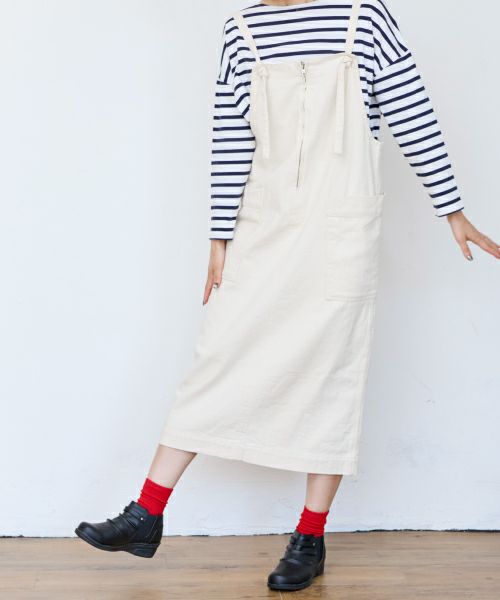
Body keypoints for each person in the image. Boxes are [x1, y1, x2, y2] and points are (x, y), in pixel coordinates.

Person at [75, 0, 500, 592]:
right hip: (263, 228)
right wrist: (220, 236)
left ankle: (309, 538)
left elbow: (412, 113)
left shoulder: (364, 18)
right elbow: (231, 137)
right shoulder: (241, 31)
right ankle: (146, 514)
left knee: (331, 375)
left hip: (339, 232)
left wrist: (451, 210)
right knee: (217, 359)